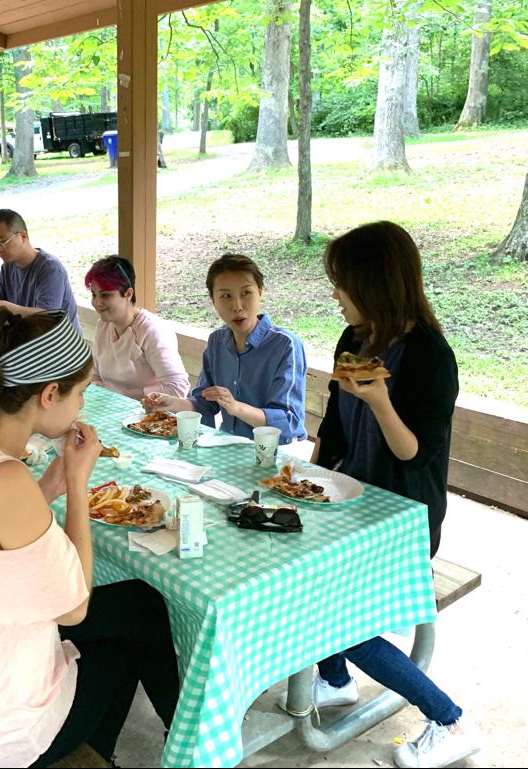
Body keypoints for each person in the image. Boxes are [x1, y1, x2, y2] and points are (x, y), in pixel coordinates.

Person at [0, 309, 179, 768]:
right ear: (50, 394)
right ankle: (170, 744)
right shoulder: (4, 477)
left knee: (139, 604)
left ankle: (168, 734)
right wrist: (76, 483)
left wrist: (50, 483)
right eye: (81, 392)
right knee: (122, 646)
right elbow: (74, 605)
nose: (83, 407)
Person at [310, 221, 477, 769]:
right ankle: (334, 681)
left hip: (405, 517)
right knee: (300, 574)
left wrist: (381, 402)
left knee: (330, 617)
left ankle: (451, 720)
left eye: (342, 283)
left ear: (375, 284)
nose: (334, 295)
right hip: (350, 495)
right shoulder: (353, 339)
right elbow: (334, 423)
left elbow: (415, 455)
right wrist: (308, 484)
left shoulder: (430, 355)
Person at [143, 253, 307, 444]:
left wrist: (236, 407)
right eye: (226, 296)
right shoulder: (217, 341)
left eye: (246, 293)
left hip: (274, 455)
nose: (237, 306)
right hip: (227, 447)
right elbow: (206, 403)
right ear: (213, 300)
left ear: (260, 291)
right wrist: (173, 403)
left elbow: (289, 423)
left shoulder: (285, 345)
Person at [85, 255, 189, 400]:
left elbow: (177, 387)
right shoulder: (103, 325)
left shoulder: (152, 330)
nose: (97, 303)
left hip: (149, 415)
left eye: (105, 295)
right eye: (94, 294)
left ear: (128, 293)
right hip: (109, 410)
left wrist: (121, 396)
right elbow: (95, 376)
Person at [0, 209, 81, 332]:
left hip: (58, 342)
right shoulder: (7, 268)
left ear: (23, 236)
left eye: (2, 241)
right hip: (30, 337)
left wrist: (4, 306)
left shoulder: (50, 268)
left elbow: (47, 317)